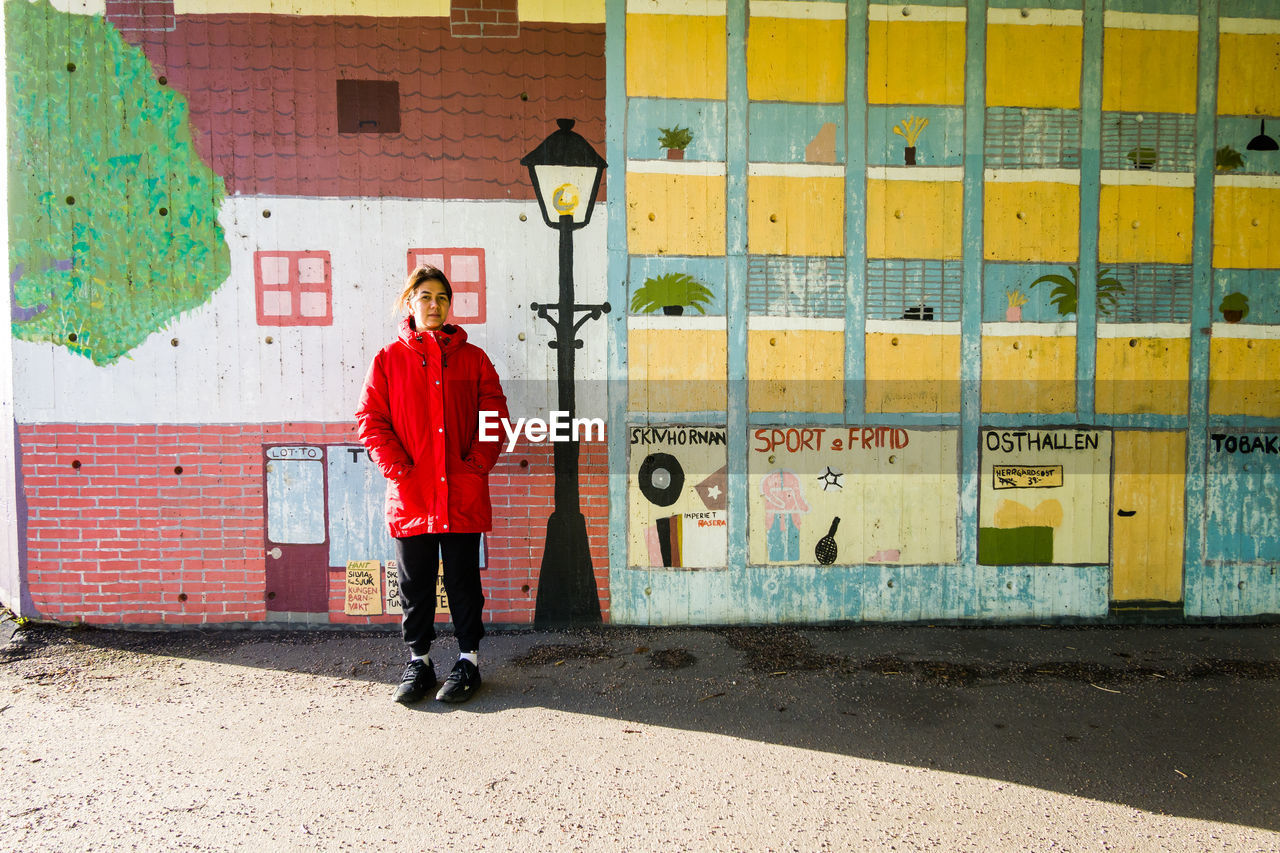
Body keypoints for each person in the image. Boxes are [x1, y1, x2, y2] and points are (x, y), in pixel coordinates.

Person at [356, 266, 509, 704]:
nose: (434, 305)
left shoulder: (473, 359)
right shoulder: (388, 360)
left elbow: (494, 414)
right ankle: (419, 662)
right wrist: (397, 467)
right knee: (415, 583)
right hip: (413, 493)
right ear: (410, 303)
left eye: (442, 297)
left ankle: (468, 662)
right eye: (425, 297)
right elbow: (371, 420)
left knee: (463, 581)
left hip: (460, 491)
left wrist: (477, 463)